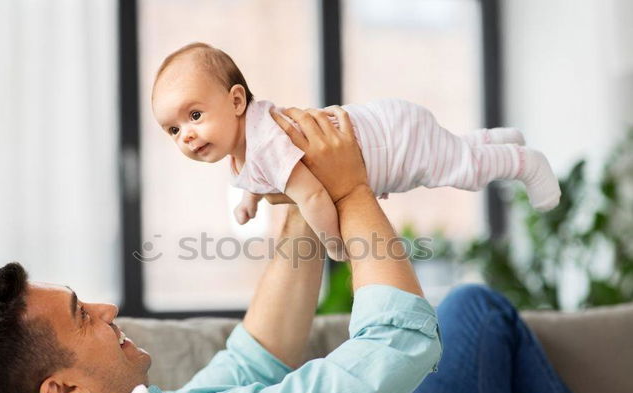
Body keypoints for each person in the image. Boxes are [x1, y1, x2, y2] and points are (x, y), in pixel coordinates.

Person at [0, 107, 629, 393]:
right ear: (61, 391)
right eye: (83, 315)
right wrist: (353, 185)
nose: (109, 308)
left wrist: (302, 193)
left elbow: (254, 357)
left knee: (475, 309)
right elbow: (398, 344)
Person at [150, 42, 561, 261]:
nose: (186, 134)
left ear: (236, 101)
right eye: (173, 129)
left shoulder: (266, 142)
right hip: (384, 129)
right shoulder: (245, 146)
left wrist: (333, 243)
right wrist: (249, 201)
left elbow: (310, 195)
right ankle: (496, 139)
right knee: (452, 153)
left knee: (462, 170)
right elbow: (260, 176)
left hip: (389, 143)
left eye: (196, 114)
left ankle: (525, 163)